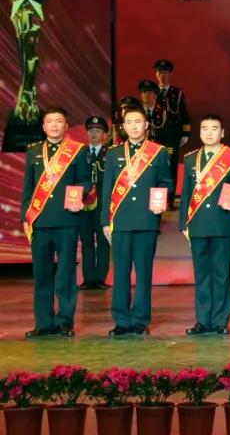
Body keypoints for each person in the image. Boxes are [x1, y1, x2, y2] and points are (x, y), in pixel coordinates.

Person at [100, 107, 173, 337]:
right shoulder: (114, 153)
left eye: (138, 122)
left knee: (144, 273)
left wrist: (161, 200)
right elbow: (106, 190)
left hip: (146, 221)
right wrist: (105, 221)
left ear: (146, 125)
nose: (133, 126)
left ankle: (141, 320)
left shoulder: (158, 152)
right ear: (123, 126)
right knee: (120, 273)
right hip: (120, 221)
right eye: (129, 122)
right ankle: (121, 320)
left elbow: (167, 183)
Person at [21, 107, 91, 338]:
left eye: (58, 121)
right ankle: (43, 323)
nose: (54, 125)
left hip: (67, 220)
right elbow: (28, 189)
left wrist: (80, 194)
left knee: (65, 273)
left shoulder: (77, 150)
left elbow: (85, 181)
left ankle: (64, 322)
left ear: (66, 126)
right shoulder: (33, 151)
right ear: (43, 126)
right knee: (41, 274)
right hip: (40, 221)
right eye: (49, 121)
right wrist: (25, 217)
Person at [178, 114, 230, 335]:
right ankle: (202, 320)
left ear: (222, 132)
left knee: (221, 274)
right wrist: (184, 223)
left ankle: (220, 321)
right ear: (200, 132)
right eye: (205, 128)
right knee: (201, 274)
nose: (209, 133)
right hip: (197, 224)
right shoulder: (191, 159)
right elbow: (186, 193)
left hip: (222, 223)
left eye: (214, 128)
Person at [78, 116, 111, 291]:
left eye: (98, 131)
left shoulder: (110, 154)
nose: (94, 134)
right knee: (86, 241)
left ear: (105, 134)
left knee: (103, 242)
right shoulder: (80, 153)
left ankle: (100, 279)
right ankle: (88, 278)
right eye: (91, 130)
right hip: (83, 204)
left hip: (103, 205)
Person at [154, 59, 191, 183]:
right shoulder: (151, 92)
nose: (162, 76)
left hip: (172, 135)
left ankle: (171, 192)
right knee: (155, 163)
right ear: (156, 74)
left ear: (170, 74)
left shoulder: (177, 92)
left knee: (171, 164)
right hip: (156, 134)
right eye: (160, 73)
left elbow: (184, 114)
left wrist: (186, 133)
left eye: (165, 73)